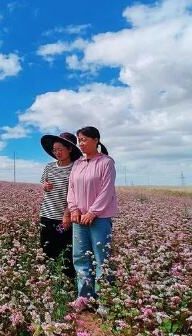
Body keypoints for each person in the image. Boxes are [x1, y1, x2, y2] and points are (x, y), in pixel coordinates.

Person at [68, 126, 118, 299]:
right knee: (80, 258)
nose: (80, 144)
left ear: (96, 140)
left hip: (100, 219)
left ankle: (104, 300)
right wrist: (73, 209)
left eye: (84, 140)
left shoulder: (106, 162)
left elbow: (107, 190)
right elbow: (71, 189)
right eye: (79, 140)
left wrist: (93, 212)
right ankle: (84, 297)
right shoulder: (77, 163)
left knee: (102, 259)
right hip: (79, 219)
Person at [39, 132, 83, 279]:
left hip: (63, 218)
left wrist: (67, 214)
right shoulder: (49, 167)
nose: (57, 152)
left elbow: (75, 193)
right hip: (46, 214)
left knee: (64, 246)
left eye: (60, 149)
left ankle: (67, 278)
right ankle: (47, 278)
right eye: (54, 149)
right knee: (46, 245)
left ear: (69, 149)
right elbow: (43, 183)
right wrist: (45, 186)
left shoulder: (75, 169)